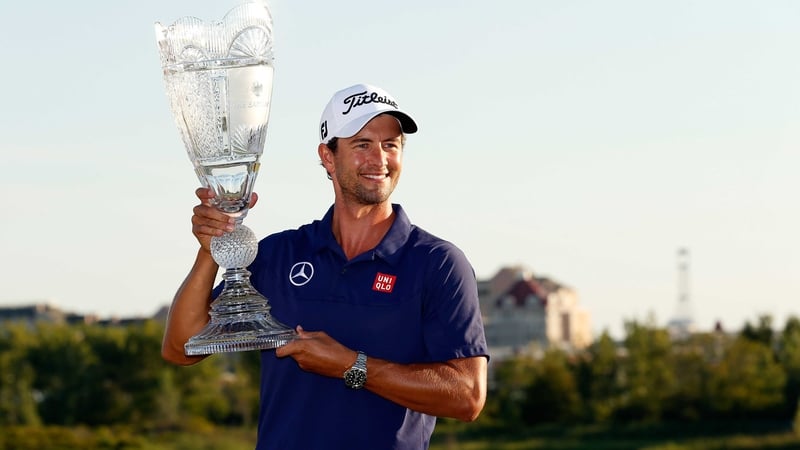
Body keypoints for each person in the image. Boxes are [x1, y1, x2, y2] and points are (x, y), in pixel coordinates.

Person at [162, 83, 489, 449]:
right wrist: (212, 248)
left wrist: (351, 365)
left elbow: (467, 395)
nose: (379, 159)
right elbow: (181, 347)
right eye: (362, 144)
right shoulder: (278, 254)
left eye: (390, 145)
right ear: (328, 156)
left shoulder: (437, 263)